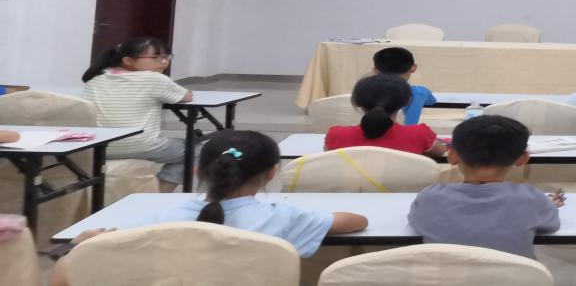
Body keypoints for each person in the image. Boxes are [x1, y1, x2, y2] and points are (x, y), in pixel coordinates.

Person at [48, 130, 367, 286]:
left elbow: (109, 247)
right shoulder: (284, 217)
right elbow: (356, 221)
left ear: (198, 171)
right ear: (273, 173)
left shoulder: (159, 219)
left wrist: (81, 244)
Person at [408, 115, 562, 258]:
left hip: (445, 276)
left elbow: (416, 222)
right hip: (513, 276)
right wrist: (547, 205)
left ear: (452, 155)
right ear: (523, 159)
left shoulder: (430, 197)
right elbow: (551, 226)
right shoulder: (532, 200)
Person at [82, 37, 193, 192]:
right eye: (156, 57)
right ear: (128, 60)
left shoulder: (95, 79)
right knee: (196, 150)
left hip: (99, 147)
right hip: (142, 145)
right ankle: (157, 194)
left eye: (166, 56)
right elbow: (187, 97)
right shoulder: (155, 79)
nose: (164, 62)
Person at [324, 75, 447, 157]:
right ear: (407, 102)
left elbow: (327, 156)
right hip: (405, 189)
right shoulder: (420, 134)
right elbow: (441, 151)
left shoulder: (336, 135)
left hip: (351, 189)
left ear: (356, 102)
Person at [372, 47, 435, 126]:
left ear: (375, 70)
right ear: (413, 67)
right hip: (408, 133)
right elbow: (432, 101)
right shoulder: (420, 92)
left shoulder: (366, 92)